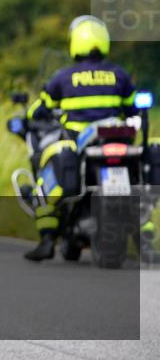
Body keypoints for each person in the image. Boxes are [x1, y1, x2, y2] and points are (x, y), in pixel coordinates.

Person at [23, 15, 141, 261]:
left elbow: (38, 111)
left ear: (75, 42)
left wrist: (31, 116)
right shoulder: (120, 75)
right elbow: (133, 110)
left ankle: (46, 239)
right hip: (116, 140)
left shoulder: (63, 78)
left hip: (80, 141)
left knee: (47, 174)